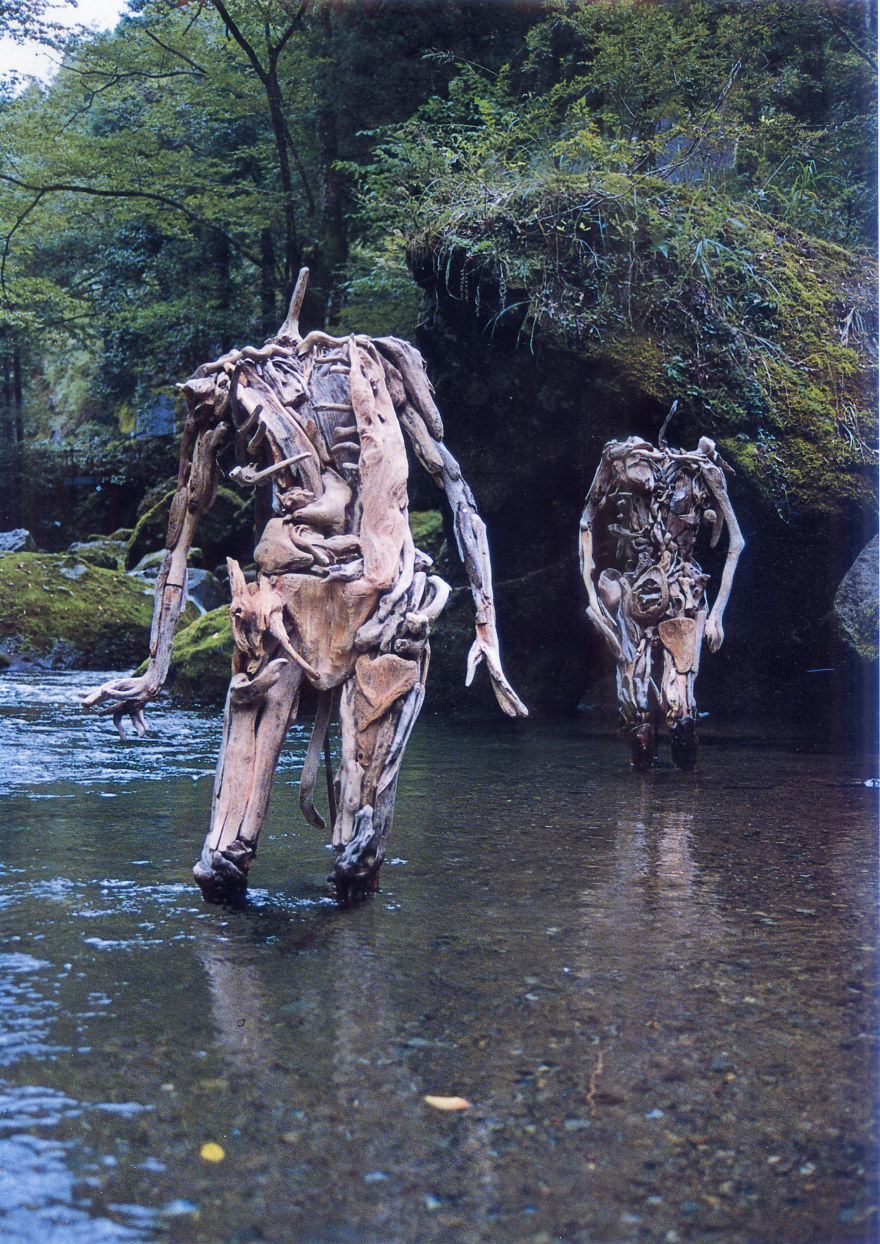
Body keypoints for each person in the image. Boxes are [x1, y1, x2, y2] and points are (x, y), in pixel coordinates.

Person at [84, 269, 526, 901]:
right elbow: (184, 516)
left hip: (379, 590)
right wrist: (153, 670)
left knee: (362, 814)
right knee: (234, 813)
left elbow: (455, 486)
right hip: (282, 595)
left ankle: (351, 852)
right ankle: (232, 851)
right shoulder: (236, 385)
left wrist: (487, 626)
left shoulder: (371, 366)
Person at [579, 419, 743, 769]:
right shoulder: (618, 461)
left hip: (683, 591)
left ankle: (681, 779)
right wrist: (593, 596)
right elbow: (586, 520)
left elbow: (736, 540)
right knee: (635, 701)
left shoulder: (701, 469)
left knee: (681, 701)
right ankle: (644, 771)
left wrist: (717, 615)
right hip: (635, 591)